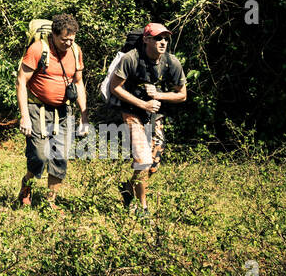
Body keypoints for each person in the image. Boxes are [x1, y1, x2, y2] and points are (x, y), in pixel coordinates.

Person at [104, 22, 187, 216]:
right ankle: (142, 208)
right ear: (146, 39)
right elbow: (114, 88)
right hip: (132, 110)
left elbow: (182, 95)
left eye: (166, 38)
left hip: (153, 113)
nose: (163, 42)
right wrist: (143, 104)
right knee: (143, 159)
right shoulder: (131, 58)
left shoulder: (171, 61)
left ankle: (129, 188)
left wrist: (159, 95)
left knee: (153, 165)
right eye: (158, 38)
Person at [17, 13, 88, 208]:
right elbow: (22, 81)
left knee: (60, 157)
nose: (68, 43)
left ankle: (50, 203)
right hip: (37, 108)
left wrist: (84, 116)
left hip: (63, 112)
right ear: (53, 36)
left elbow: (79, 83)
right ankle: (27, 185)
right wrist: (25, 117)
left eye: (71, 39)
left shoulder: (75, 51)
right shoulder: (38, 49)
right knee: (39, 156)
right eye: (64, 40)